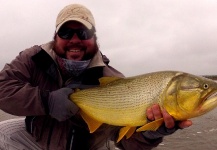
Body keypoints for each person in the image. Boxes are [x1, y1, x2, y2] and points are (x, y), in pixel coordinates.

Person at [0, 3, 192, 150]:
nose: (75, 40)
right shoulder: (34, 58)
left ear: (94, 38)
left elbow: (124, 141)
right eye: (66, 32)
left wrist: (151, 133)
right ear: (55, 36)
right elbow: (3, 87)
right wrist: (46, 101)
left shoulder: (112, 80)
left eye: (83, 32)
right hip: (38, 139)